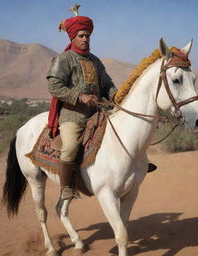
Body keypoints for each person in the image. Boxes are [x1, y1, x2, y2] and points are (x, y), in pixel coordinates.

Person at [46, 15, 117, 200]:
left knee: (124, 130)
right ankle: (66, 187)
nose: (85, 39)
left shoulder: (95, 60)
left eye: (87, 36)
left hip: (97, 113)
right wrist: (80, 97)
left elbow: (107, 83)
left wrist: (114, 94)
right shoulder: (64, 59)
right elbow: (54, 86)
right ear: (73, 37)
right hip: (72, 116)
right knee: (70, 147)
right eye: (81, 36)